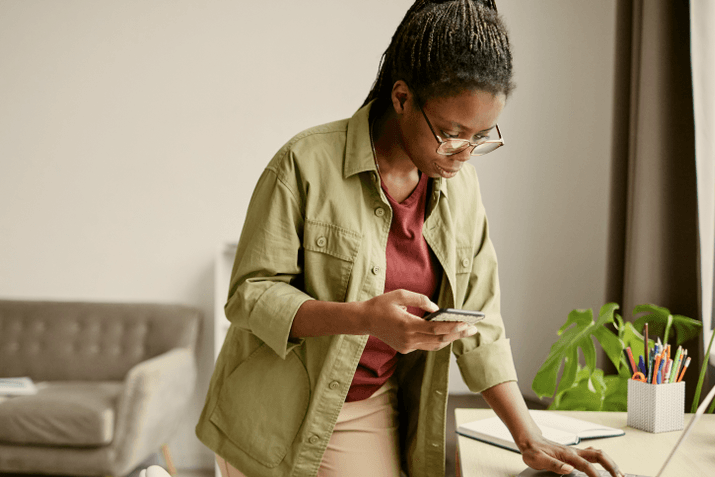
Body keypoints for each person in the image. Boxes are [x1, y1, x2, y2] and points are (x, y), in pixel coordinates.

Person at [196, 1, 623, 477]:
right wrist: (363, 318)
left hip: (367, 404)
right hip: (272, 409)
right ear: (401, 98)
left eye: (481, 136)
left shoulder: (462, 190)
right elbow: (249, 296)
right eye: (451, 133)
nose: (464, 154)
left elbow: (483, 322)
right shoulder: (303, 163)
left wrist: (528, 436)